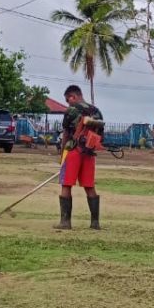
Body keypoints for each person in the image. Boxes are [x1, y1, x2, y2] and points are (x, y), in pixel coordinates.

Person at [56, 84, 104, 230]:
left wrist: (62, 151)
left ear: (73, 96)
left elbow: (65, 133)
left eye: (67, 100)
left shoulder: (72, 110)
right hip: (89, 153)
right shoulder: (96, 111)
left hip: (73, 151)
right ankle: (95, 222)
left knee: (66, 184)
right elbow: (101, 135)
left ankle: (65, 222)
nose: (67, 103)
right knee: (89, 186)